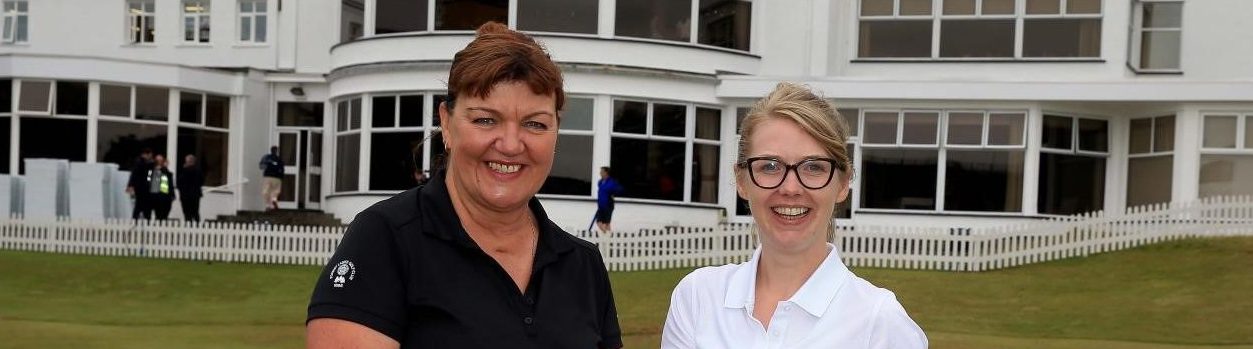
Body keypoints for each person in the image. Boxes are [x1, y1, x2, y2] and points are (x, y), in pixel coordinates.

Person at [306, 22, 622, 349]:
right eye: (486, 119)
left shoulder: (582, 264)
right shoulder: (385, 240)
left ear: (557, 131)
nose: (512, 145)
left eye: (535, 124)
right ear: (446, 123)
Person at [661, 83, 927, 348]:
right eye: (770, 166)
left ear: (843, 183)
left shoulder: (879, 322)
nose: (790, 188)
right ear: (742, 180)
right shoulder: (697, 298)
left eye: (813, 167)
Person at [126, 148, 155, 220]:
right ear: (146, 154)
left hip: (141, 188)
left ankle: (137, 220)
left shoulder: (141, 163)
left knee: (140, 206)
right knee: (142, 207)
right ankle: (143, 221)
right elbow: (138, 175)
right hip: (142, 189)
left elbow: (147, 175)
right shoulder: (141, 163)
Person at [594, 166, 623, 233]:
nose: (600, 173)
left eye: (602, 172)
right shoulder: (600, 182)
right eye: (600, 172)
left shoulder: (612, 182)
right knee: (599, 223)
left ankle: (609, 238)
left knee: (606, 223)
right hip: (601, 206)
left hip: (608, 205)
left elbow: (619, 190)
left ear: (606, 173)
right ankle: (607, 236)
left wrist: (614, 194)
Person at [177, 154, 205, 222]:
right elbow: (201, 182)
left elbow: (179, 183)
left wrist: (184, 169)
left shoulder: (184, 171)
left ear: (189, 162)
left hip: (185, 196)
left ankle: (189, 227)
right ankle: (197, 226)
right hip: (195, 195)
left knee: (187, 213)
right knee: (195, 212)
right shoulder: (198, 171)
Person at [150, 154, 176, 220]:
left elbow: (170, 183)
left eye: (161, 160)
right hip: (156, 196)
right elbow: (149, 181)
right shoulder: (152, 170)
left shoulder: (167, 172)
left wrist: (172, 194)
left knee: (165, 214)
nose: (160, 162)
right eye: (158, 160)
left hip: (166, 197)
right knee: (158, 215)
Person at [259, 145, 284, 210]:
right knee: (275, 191)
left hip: (268, 176)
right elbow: (282, 169)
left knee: (266, 191)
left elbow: (261, 166)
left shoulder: (266, 157)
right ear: (277, 151)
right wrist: (281, 177)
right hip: (277, 177)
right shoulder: (279, 159)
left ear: (271, 150)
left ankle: (268, 205)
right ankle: (274, 200)